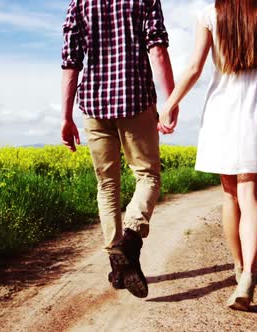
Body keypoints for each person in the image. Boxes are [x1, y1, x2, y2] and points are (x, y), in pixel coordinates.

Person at [159, 0, 257, 310]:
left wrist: (170, 103)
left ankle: (239, 268)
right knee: (250, 196)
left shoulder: (209, 15)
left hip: (222, 113)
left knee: (230, 197)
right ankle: (247, 278)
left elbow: (194, 68)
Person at [60, 0, 176, 298]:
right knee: (147, 175)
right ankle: (130, 238)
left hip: (93, 105)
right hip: (135, 99)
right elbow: (157, 48)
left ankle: (117, 260)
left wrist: (65, 116)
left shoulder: (80, 2)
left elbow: (71, 60)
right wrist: (170, 101)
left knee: (107, 184)